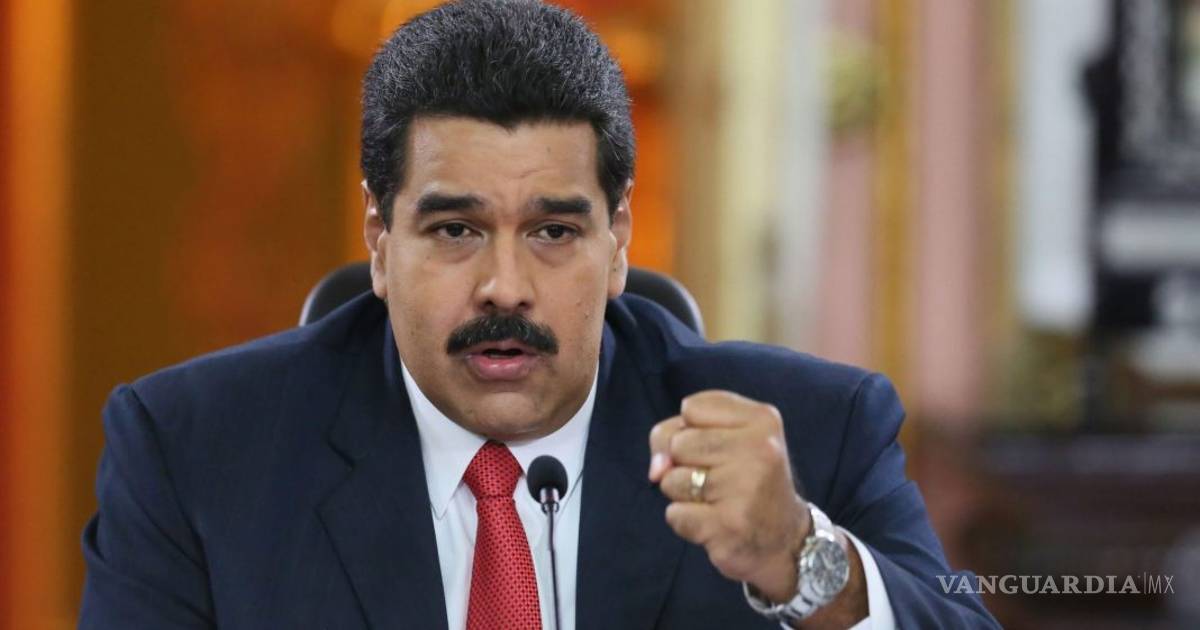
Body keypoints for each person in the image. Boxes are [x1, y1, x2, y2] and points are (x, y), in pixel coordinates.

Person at [78, 1, 998, 628]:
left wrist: (802, 560)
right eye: (456, 230)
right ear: (380, 240)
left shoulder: (813, 434)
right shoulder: (196, 452)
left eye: (554, 231)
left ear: (619, 240)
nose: (505, 287)